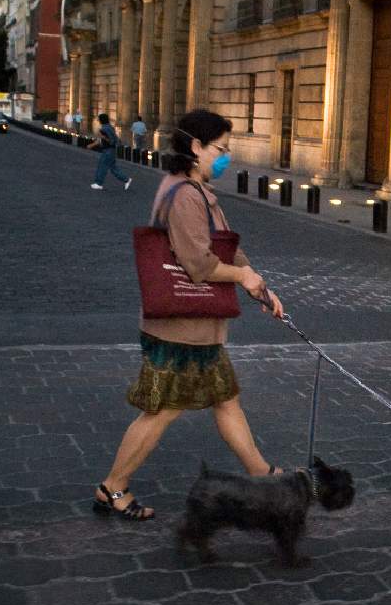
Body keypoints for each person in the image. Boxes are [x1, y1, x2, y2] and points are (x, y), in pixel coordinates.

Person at [92, 108, 285, 521]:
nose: (225, 156)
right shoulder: (184, 197)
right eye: (220, 148)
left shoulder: (191, 189)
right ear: (195, 147)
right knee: (162, 411)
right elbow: (200, 264)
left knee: (227, 401)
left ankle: (263, 475)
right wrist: (244, 277)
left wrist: (259, 286)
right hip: (181, 330)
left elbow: (225, 249)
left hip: (196, 329)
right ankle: (112, 487)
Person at [87, 112, 132, 191]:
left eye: (98, 119)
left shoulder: (104, 129)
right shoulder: (110, 127)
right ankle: (126, 179)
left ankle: (98, 183)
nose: (98, 120)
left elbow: (110, 141)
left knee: (102, 166)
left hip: (108, 150)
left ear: (101, 120)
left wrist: (99, 140)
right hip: (111, 150)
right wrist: (92, 145)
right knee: (113, 168)